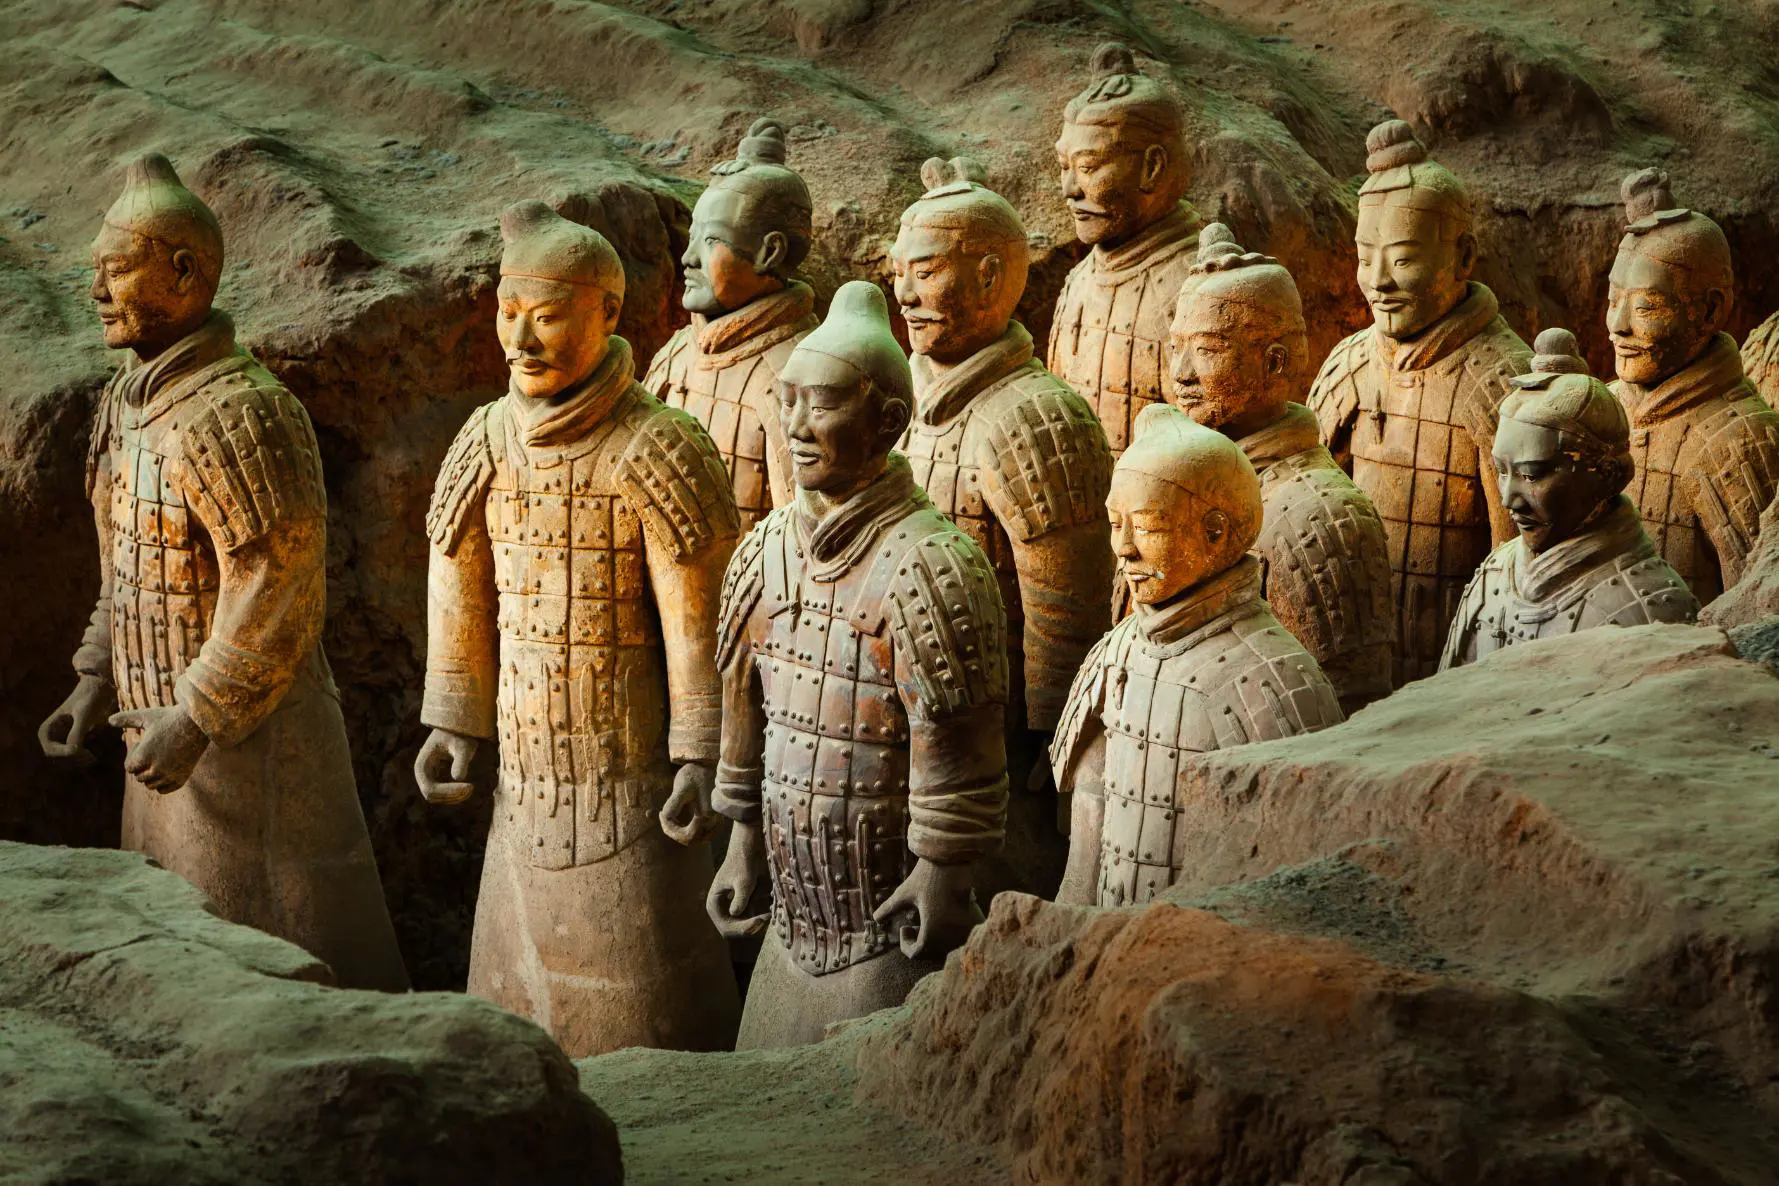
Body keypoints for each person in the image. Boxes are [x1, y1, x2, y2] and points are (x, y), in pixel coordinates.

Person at [40, 153, 405, 990]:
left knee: (287, 967)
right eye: (95, 272)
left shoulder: (245, 411)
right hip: (155, 732)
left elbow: (277, 584)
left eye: (116, 271)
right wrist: (94, 676)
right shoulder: (120, 407)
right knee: (186, 967)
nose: (96, 292)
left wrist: (196, 717)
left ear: (183, 272)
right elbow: (125, 564)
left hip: (254, 749)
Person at [416, 199, 740, 1056]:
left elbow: (698, 618)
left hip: (627, 781)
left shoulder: (659, 447)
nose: (520, 342)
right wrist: (456, 717)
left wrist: (699, 754)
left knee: (642, 1015)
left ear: (606, 313)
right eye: (508, 316)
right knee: (514, 991)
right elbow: (458, 580)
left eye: (547, 319)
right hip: (524, 782)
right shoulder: (486, 438)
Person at [707, 282, 1009, 1047]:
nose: (798, 426)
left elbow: (958, 740)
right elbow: (744, 707)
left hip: (888, 927)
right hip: (789, 926)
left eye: (825, 404)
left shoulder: (932, 562)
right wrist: (743, 839)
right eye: (789, 401)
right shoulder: (764, 549)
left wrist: (943, 871)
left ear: (888, 421)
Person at [893, 157, 1113, 893]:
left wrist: (1048, 750)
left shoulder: (1036, 417)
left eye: (925, 272)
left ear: (990, 277)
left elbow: (1066, 612)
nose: (904, 292)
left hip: (1001, 760)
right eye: (899, 272)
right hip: (908, 737)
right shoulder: (909, 396)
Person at [1053, 404, 1343, 907]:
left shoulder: (1277, 681)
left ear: (1214, 533)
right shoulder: (1115, 655)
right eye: (1114, 523)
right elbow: (1082, 861)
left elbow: (1298, 887)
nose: (1123, 549)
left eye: (1146, 527)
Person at [1309, 120, 1531, 682]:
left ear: (1462, 259)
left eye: (1403, 259)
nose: (1378, 281)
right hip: (1351, 670)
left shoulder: (1504, 385)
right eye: (1365, 257)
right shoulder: (1348, 365)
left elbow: (1525, 574)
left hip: (1461, 678)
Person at [1164, 222, 1394, 712]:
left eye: (1206, 350)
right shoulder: (1178, 477)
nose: (1181, 373)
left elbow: (1346, 716)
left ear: (1275, 363)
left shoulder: (1322, 517)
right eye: (1175, 347)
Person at [1441, 328, 1699, 668]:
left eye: (1532, 475)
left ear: (1606, 475)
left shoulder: (1653, 610)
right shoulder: (1494, 576)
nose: (1509, 499)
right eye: (1502, 471)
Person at [1604, 168, 1779, 605]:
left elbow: (1754, 615)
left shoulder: (1743, 442)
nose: (1617, 326)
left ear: (1710, 311)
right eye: (1612, 300)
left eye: (1646, 306)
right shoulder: (1601, 408)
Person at [643, 117, 818, 533]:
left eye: (710, 241)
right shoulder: (675, 356)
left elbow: (808, 547)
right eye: (691, 238)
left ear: (769, 252)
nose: (687, 260)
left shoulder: (799, 378)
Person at [1048, 42, 1201, 455]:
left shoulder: (1200, 289)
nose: (1070, 189)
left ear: (1152, 167)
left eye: (1089, 167)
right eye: (1065, 167)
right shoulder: (1079, 280)